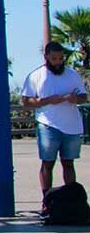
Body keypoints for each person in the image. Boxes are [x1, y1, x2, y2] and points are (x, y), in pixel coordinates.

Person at [20, 41, 88, 201]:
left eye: (60, 58)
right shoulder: (36, 76)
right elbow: (26, 102)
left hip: (71, 126)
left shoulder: (72, 74)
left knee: (69, 163)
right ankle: (47, 200)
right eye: (54, 59)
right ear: (46, 58)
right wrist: (47, 101)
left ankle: (72, 200)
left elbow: (84, 96)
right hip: (48, 125)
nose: (58, 62)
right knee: (48, 163)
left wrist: (75, 99)